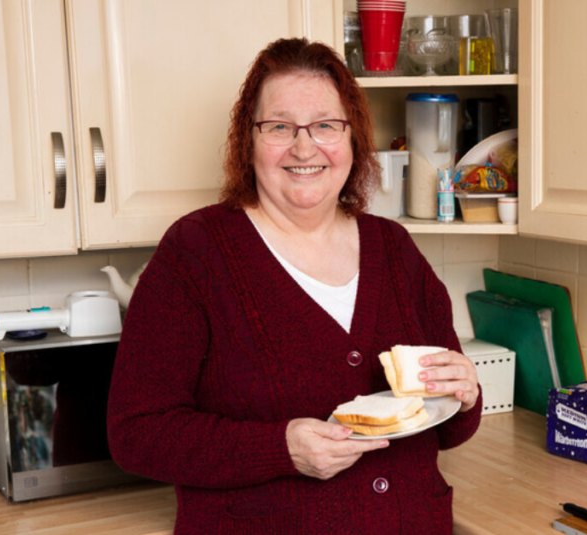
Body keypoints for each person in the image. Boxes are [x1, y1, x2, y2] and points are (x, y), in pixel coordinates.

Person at [107, 38, 481, 534]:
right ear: (249, 140)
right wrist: (278, 449)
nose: (305, 148)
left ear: (352, 137)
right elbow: (136, 434)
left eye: (325, 125)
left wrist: (466, 393)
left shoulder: (395, 250)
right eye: (280, 127)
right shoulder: (195, 253)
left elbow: (447, 428)